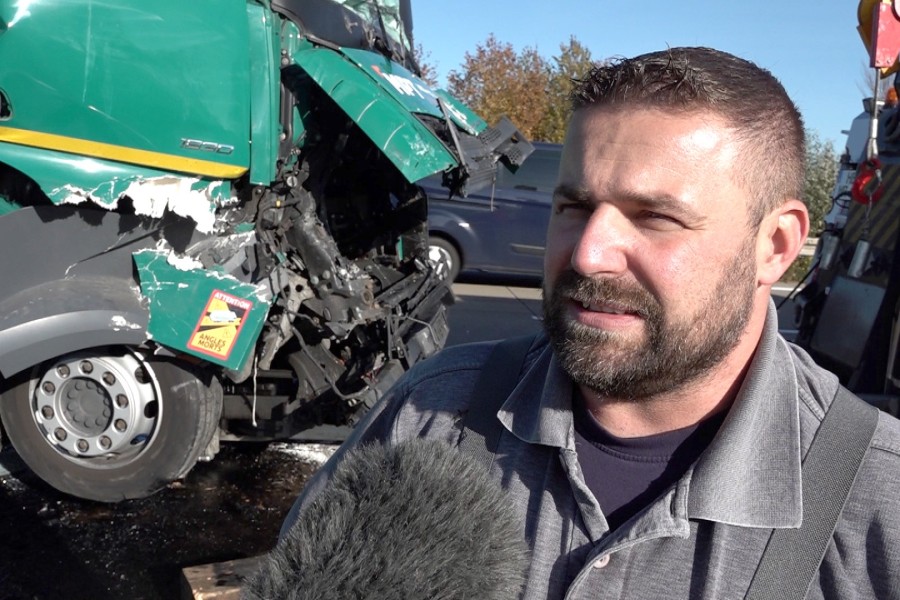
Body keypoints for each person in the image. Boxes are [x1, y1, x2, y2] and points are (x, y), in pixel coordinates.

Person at [280, 47, 900, 599]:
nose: (587, 255)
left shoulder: (878, 502)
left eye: (655, 217)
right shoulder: (434, 412)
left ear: (775, 245)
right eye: (574, 207)